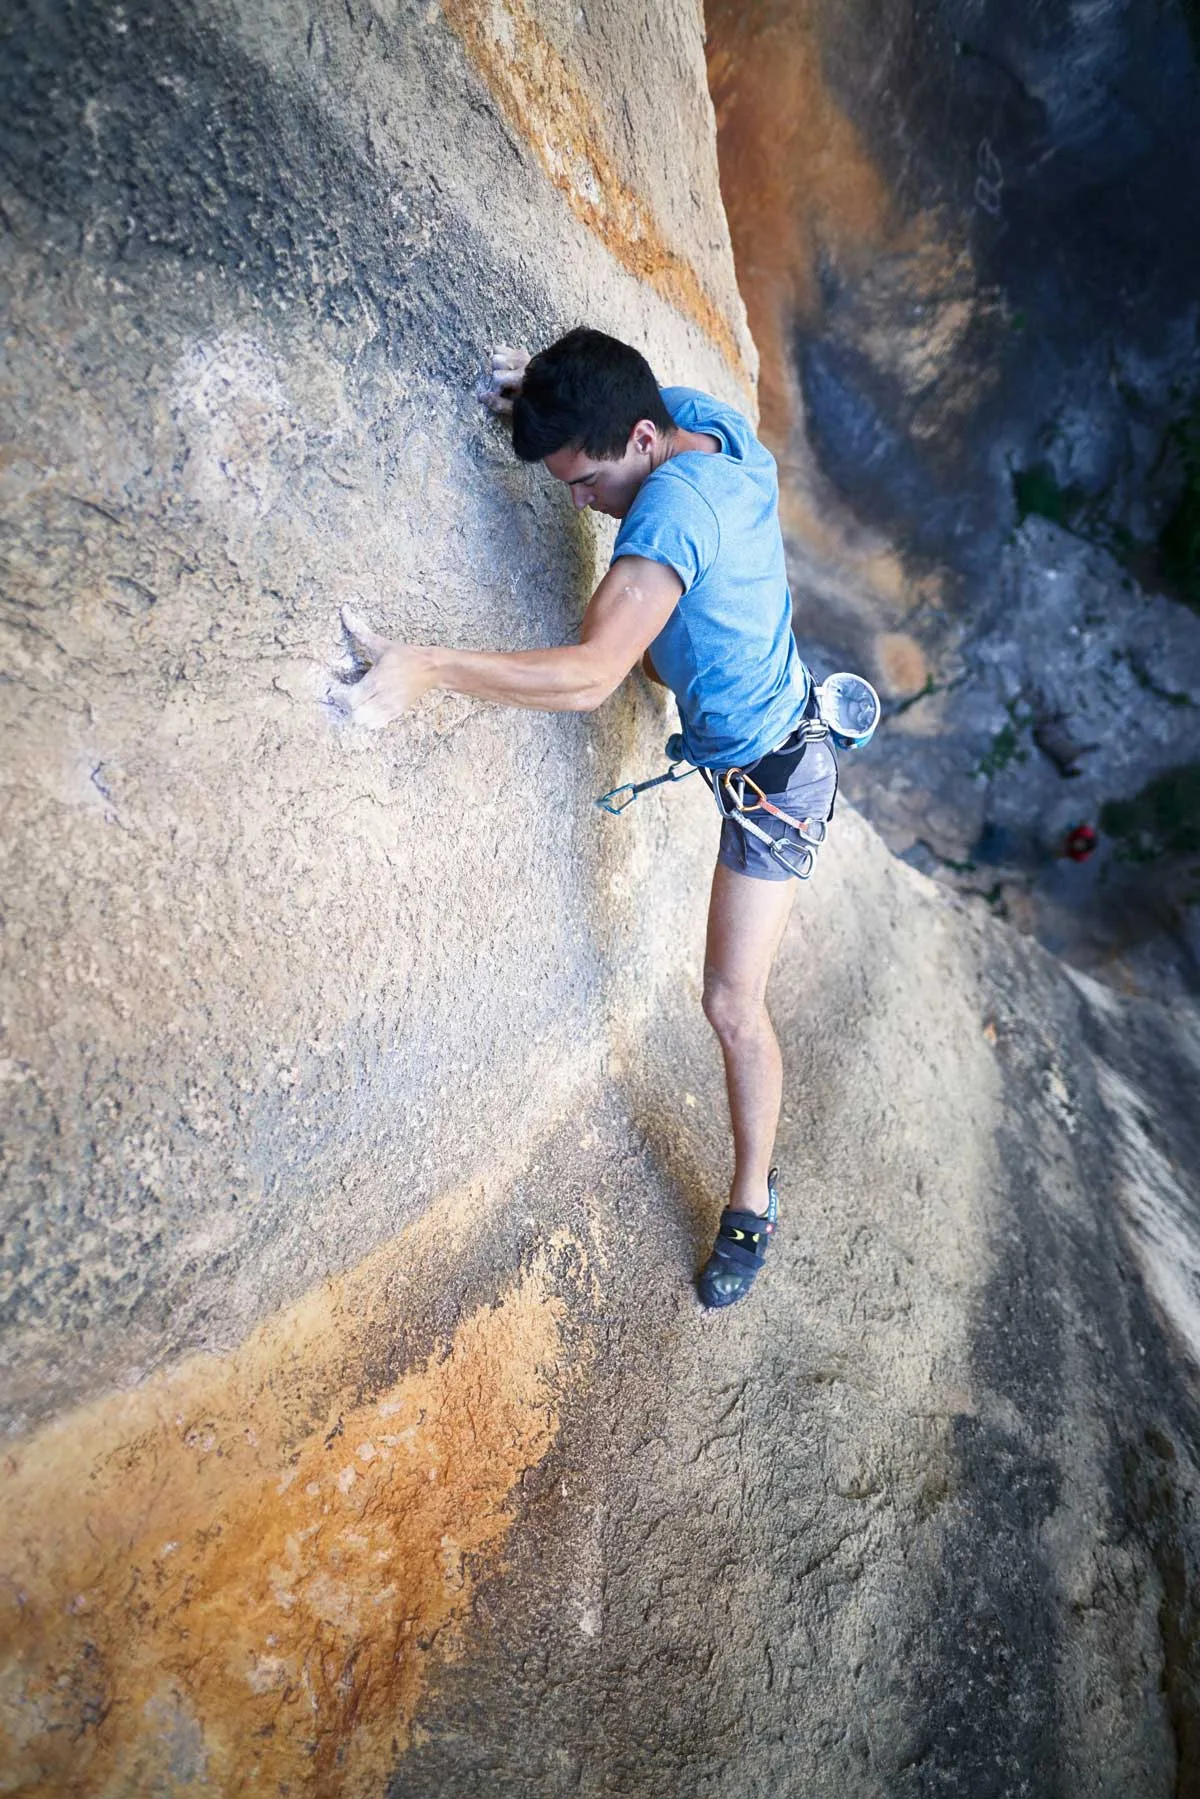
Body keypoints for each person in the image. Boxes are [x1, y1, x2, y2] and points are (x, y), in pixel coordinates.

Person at [330, 328, 838, 1308]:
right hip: (758, 720)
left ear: (643, 441)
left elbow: (589, 674)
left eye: (589, 480)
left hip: (779, 781)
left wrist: (429, 666)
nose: (582, 502)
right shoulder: (708, 429)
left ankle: (751, 1204)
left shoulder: (670, 520)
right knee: (657, 649)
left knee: (731, 1004)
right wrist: (545, 393)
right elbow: (627, 387)